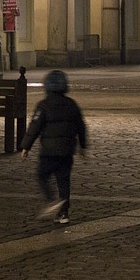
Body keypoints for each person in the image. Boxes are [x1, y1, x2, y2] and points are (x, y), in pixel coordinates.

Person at [21, 69, 88, 225]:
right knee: (63, 181)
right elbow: (81, 126)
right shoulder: (72, 104)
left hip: (49, 152)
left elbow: (34, 127)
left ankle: (51, 201)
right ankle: (63, 213)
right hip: (67, 151)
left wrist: (26, 147)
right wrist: (83, 146)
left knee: (42, 175)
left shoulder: (43, 106)